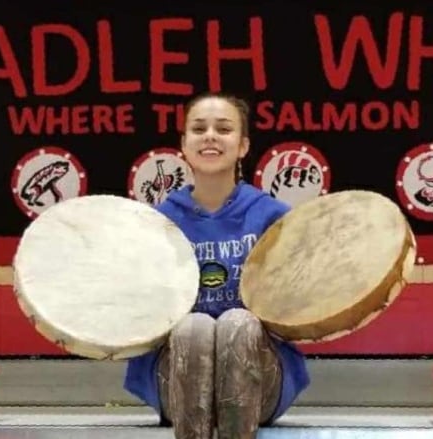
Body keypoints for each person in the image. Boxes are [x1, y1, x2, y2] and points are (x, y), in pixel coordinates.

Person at [124, 91, 311, 439]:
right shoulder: (158, 224)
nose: (210, 135)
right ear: (184, 143)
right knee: (193, 328)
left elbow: (300, 306)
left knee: (237, 323)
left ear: (242, 146)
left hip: (259, 380)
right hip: (177, 380)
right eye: (199, 128)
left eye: (223, 129)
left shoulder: (273, 217)